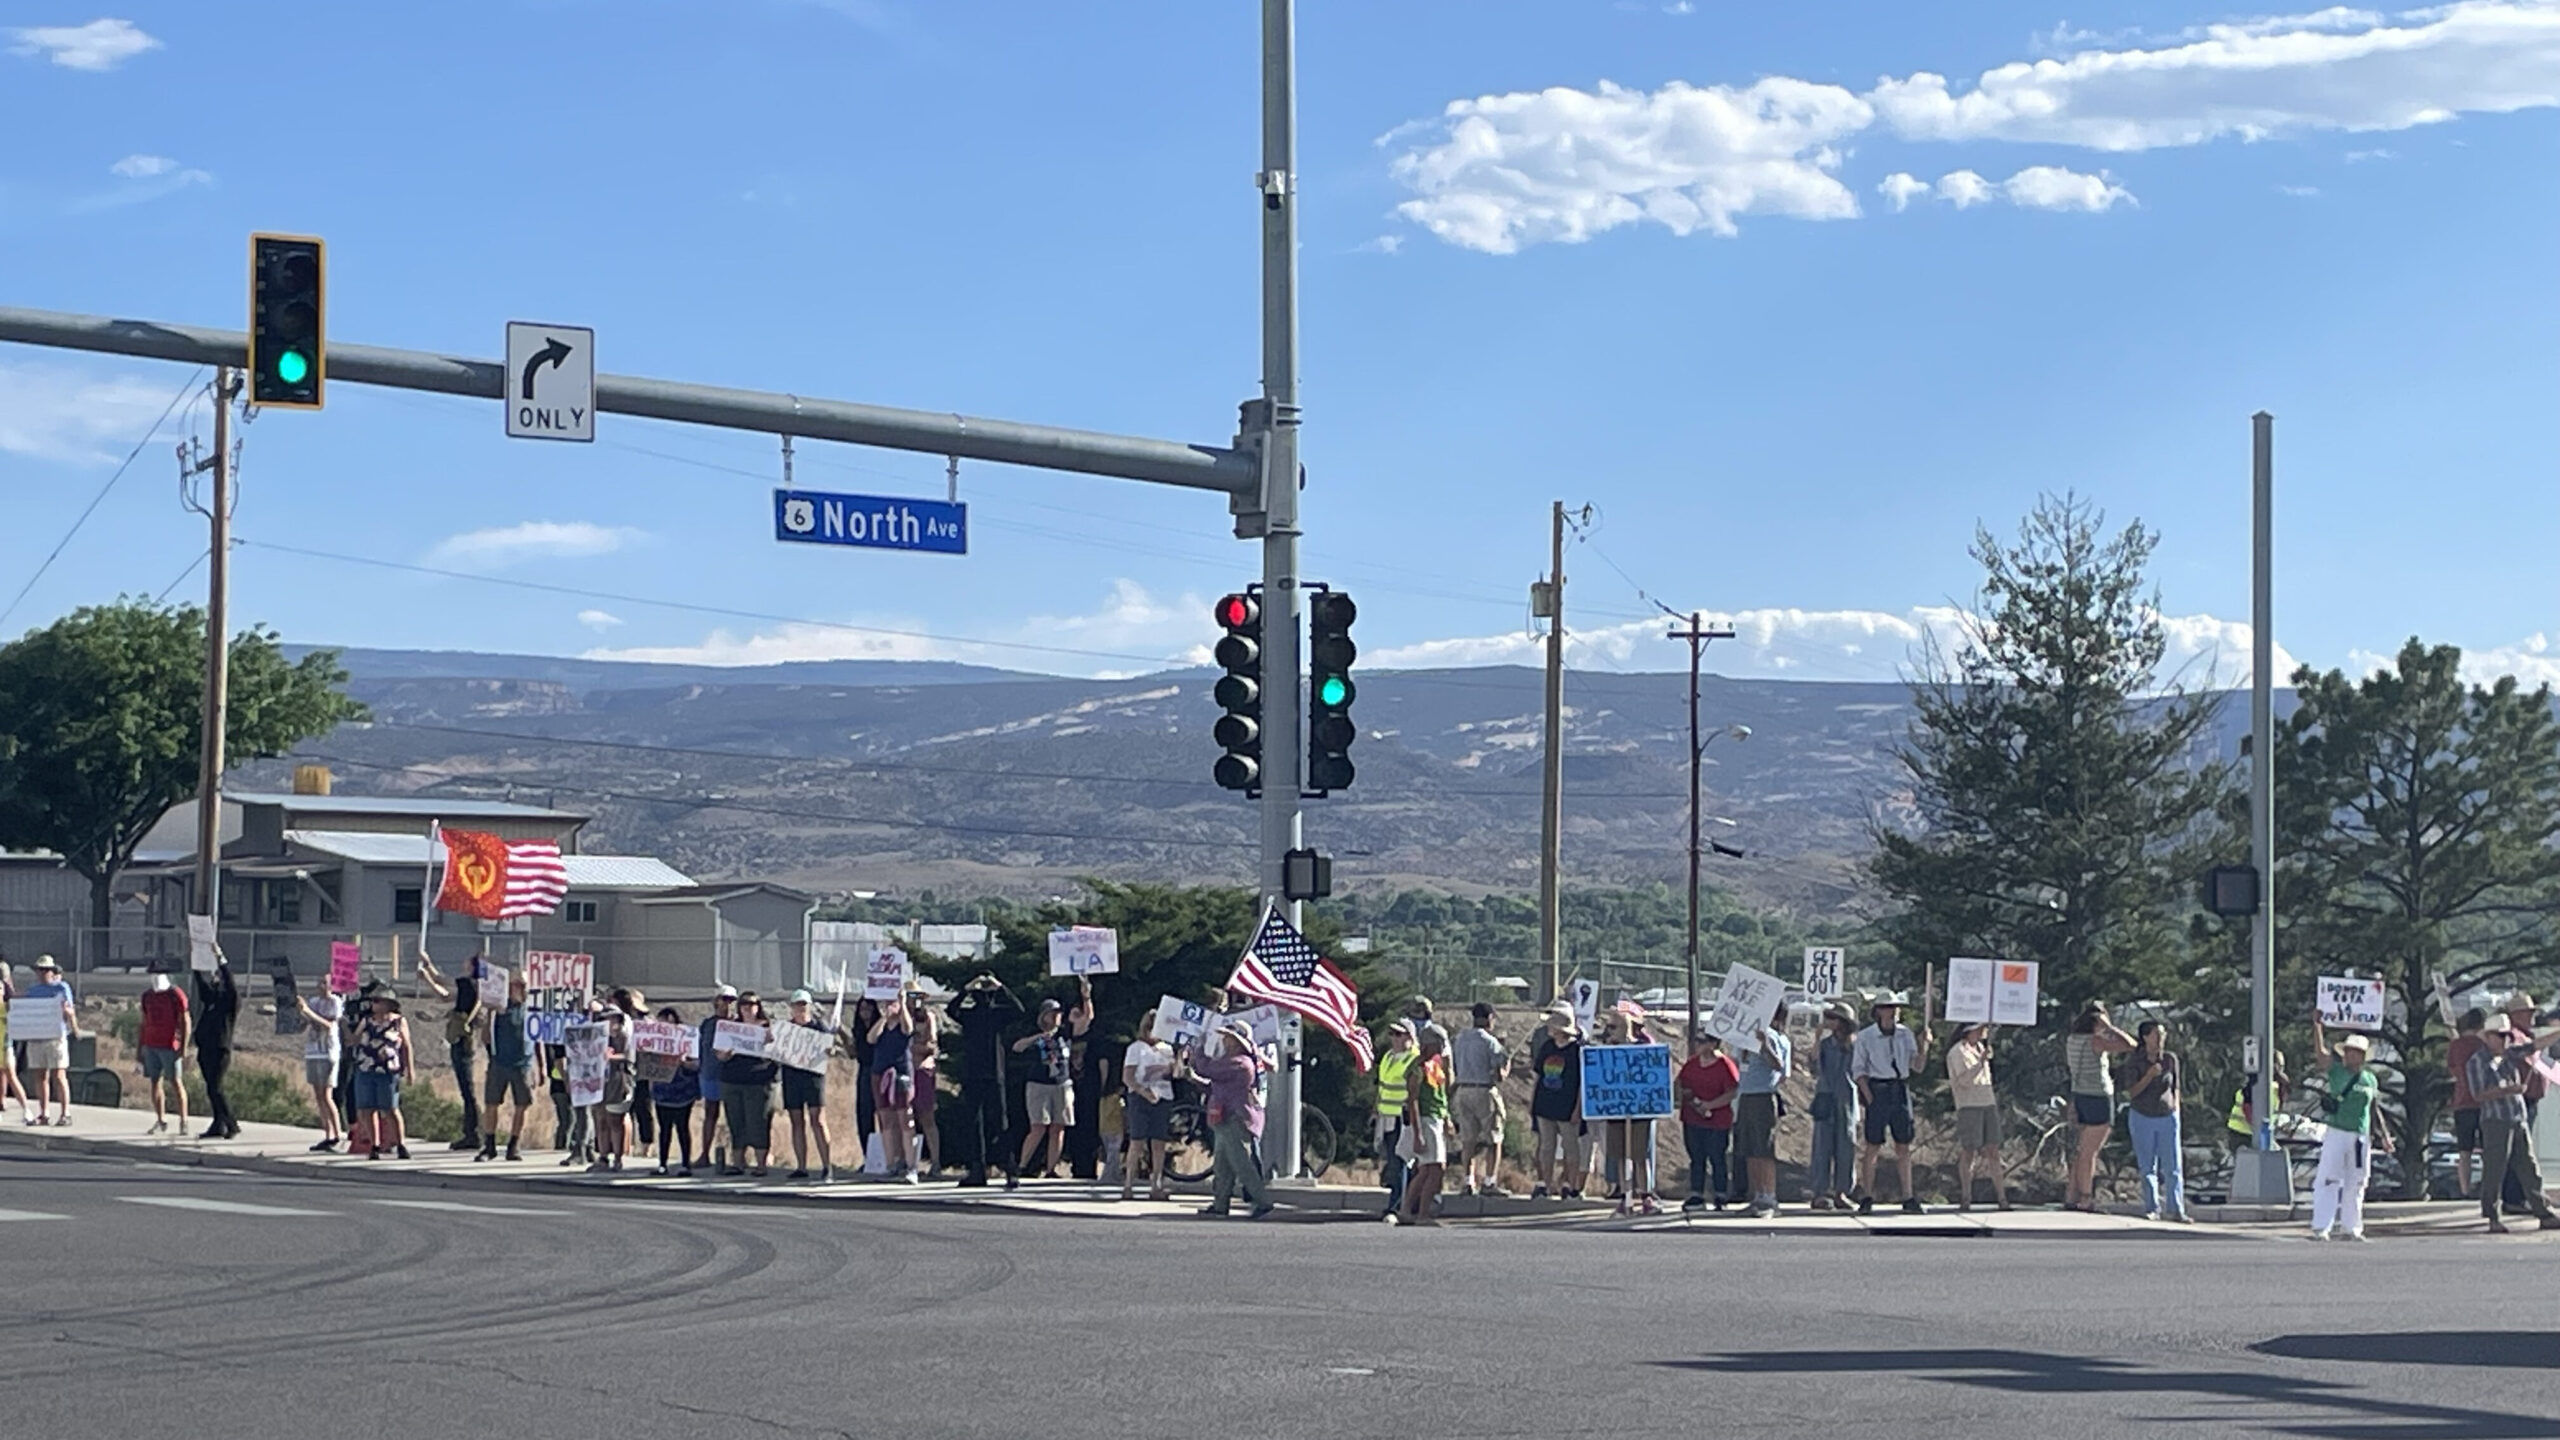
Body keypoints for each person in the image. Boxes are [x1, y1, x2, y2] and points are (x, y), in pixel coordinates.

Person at [2466, 1013, 2559, 1233]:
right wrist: (2508, 1090)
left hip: (2517, 1118)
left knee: (2529, 1168)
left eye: (2507, 1035)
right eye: (2500, 1035)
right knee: (2495, 1170)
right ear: (2488, 1037)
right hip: (2495, 1121)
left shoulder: (2510, 1054)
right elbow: (2478, 1094)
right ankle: (2492, 1216)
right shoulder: (2477, 1062)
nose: (2505, 1039)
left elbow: (2535, 1045)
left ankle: (2543, 1213)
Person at [2306, 1014, 2390, 1241]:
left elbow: (2374, 1108)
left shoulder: (2370, 1079)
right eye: (2349, 1051)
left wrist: (2383, 1135)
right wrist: (2317, 1028)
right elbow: (2321, 1053)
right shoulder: (2337, 1072)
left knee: (2357, 1181)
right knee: (2329, 1178)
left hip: (2360, 1134)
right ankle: (2322, 1226)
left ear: (2362, 1056)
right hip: (2338, 1130)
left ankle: (2351, 1226)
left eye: (2355, 1052)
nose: (2351, 1055)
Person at [1851, 991, 1931, 1215]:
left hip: (1899, 1089)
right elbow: (1859, 1069)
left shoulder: (1905, 1034)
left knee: (1903, 1145)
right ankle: (1867, 1195)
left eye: (1895, 1007)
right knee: (1873, 1144)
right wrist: (1869, 1096)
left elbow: (1917, 1066)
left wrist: (1924, 1047)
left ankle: (1908, 1196)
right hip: (1878, 1088)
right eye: (1888, 1007)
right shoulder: (1867, 1036)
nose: (1893, 1011)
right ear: (1878, 1011)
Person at [1190, 1022, 1275, 1219]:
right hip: (1227, 1118)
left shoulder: (1239, 1063)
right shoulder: (1238, 1062)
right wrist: (1193, 1078)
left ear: (1238, 1042)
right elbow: (1215, 1085)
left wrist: (1198, 1047)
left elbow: (1206, 1068)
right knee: (1223, 1166)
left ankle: (1263, 1202)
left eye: (1228, 1038)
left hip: (1235, 1118)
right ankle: (1220, 1204)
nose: (1224, 1041)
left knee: (1242, 1164)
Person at [947, 973, 1023, 1187]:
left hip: (991, 1073)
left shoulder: (997, 1014)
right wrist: (979, 988)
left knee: (998, 1123)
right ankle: (980, 1170)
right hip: (978, 1073)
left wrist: (988, 987)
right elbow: (951, 1010)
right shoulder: (971, 1015)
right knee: (978, 1123)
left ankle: (1007, 1169)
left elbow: (1019, 1011)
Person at [1011, 986, 1087, 1187]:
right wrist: (1038, 1037)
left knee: (1058, 1127)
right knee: (1038, 1126)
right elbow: (1017, 1047)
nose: (1056, 1017)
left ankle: (1051, 1169)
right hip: (1038, 1084)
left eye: (1058, 1014)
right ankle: (1022, 1165)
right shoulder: (1034, 1033)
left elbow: (1086, 1020)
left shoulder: (1065, 1034)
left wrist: (1086, 997)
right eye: (1052, 1014)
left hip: (1061, 1084)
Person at [2063, 1000, 2135, 1211]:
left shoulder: (2072, 1040)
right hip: (2098, 1095)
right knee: (2090, 1151)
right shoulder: (2095, 1041)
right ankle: (2086, 1196)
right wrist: (2110, 1028)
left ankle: (2072, 1194)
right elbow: (2130, 1045)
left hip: (2080, 1094)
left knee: (2082, 1149)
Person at [414, 954, 484, 1154]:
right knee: (467, 1088)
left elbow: (443, 988)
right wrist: (428, 966)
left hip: (461, 1039)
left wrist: (427, 977)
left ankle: (473, 1132)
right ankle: (472, 1130)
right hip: (466, 1039)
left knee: (467, 1088)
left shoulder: (467, 984)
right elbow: (444, 989)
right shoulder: (478, 987)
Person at [2124, 1019, 2188, 1222]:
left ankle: (2176, 1208)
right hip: (2142, 1115)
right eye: (2156, 1035)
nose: (2160, 1039)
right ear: (2145, 1037)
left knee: (2173, 1166)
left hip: (2167, 1116)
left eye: (2163, 1035)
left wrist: (2175, 1107)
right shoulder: (2135, 1061)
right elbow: (2132, 1092)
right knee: (2148, 1166)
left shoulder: (2170, 1059)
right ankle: (2152, 1207)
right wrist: (2149, 1076)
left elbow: (2176, 1086)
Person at [774, 989, 839, 1182]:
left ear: (809, 1006)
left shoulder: (819, 1027)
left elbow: (830, 1050)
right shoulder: (786, 1029)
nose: (800, 1008)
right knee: (796, 1121)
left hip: (812, 1077)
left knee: (817, 1120)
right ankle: (801, 1166)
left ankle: (827, 1165)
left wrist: (830, 1048)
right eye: (797, 1005)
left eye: (803, 1004)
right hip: (792, 1076)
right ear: (791, 1007)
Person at [1945, 1021, 2008, 1212]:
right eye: (1980, 1028)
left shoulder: (1980, 1048)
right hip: (1969, 1105)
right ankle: (1966, 1196)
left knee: (1993, 1150)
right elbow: (1964, 1079)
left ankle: (2002, 1198)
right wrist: (1980, 1062)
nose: (1984, 1031)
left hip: (1987, 1102)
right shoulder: (1958, 1052)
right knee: (1969, 1150)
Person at [714, 992, 779, 1177]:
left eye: (752, 1004)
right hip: (732, 1080)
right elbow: (719, 1054)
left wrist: (770, 1041)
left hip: (759, 1081)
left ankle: (761, 1165)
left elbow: (779, 1053)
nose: (748, 1008)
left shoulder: (768, 1028)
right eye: (744, 1004)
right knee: (736, 1122)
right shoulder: (731, 1027)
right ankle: (738, 1163)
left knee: (758, 1122)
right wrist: (726, 1054)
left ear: (758, 1007)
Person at [1676, 1028, 1739, 1212]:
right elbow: (1681, 1084)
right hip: (1692, 1118)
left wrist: (1709, 1105)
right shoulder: (1691, 1064)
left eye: (1702, 1041)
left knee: (1717, 1157)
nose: (1697, 1044)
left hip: (1717, 1120)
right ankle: (1696, 1194)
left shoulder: (1724, 1065)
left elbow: (1732, 1092)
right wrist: (1689, 1099)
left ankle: (1720, 1194)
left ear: (1713, 1044)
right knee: (1697, 1157)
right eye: (1696, 1040)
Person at [1527, 1004, 1585, 1200]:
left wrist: (1578, 1109)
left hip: (1567, 1106)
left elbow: (1581, 1083)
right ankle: (1545, 1184)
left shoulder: (1577, 1050)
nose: (1549, 1028)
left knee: (1571, 1148)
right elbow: (1538, 1076)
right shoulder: (1547, 1047)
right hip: (1545, 1104)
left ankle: (1570, 1185)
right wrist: (1533, 1102)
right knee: (1546, 1147)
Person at [1734, 1021, 1791, 1218]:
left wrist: (1765, 1044)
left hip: (1763, 1095)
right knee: (1750, 1148)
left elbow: (1779, 1066)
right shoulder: (1743, 1034)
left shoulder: (1769, 1036)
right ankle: (1757, 1195)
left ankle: (1770, 1197)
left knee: (1764, 1148)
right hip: (1746, 1095)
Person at [1398, 1025, 1453, 1226]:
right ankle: (1421, 1214)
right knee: (1435, 1168)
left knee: (1427, 1170)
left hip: (1436, 1118)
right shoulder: (1418, 1068)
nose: (1441, 1048)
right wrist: (1418, 1133)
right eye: (1438, 1044)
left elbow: (1440, 1095)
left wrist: (1446, 1118)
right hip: (1425, 1120)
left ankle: (1406, 1210)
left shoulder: (1435, 1066)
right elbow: (1413, 1101)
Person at [477, 975, 535, 1162]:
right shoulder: (500, 1009)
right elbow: (486, 1038)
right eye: (515, 985)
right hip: (499, 1062)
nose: (518, 989)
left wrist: (540, 1066)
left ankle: (514, 1145)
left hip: (523, 1063)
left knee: (522, 1104)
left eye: (522, 985)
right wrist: (489, 1015)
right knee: (491, 1103)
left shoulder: (532, 1009)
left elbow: (538, 1038)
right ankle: (489, 1145)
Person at [2497, 993, 2546, 1215]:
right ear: (2516, 1014)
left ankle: (2518, 1197)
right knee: (2520, 1152)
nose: (2531, 1016)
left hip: (2529, 1098)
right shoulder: (2515, 1036)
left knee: (2522, 1150)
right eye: (2527, 1012)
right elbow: (2518, 1054)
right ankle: (2513, 1198)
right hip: (2520, 1099)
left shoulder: (2525, 1035)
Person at [1807, 1003, 1859, 1211]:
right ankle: (1819, 1192)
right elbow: (1814, 1067)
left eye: (1833, 1018)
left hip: (1846, 1099)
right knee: (1822, 1147)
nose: (1829, 1021)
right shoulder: (1826, 1044)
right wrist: (1817, 1039)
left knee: (1846, 1146)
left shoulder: (1855, 1045)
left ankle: (1842, 1192)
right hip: (1826, 1097)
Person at [350, 990, 413, 1160]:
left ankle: (400, 1144)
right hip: (366, 1067)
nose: (374, 1004)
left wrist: (409, 1070)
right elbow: (354, 1040)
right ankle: (374, 1145)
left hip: (388, 1070)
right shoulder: (367, 1021)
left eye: (378, 1001)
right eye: (373, 1001)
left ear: (388, 1004)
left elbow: (406, 1046)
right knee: (367, 1108)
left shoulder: (398, 1022)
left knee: (390, 1108)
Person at [1120, 1013, 1176, 1202]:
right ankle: (1128, 1184)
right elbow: (1128, 1077)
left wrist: (1180, 1060)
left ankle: (1156, 1185)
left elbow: (1174, 1074)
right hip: (1140, 1098)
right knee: (1137, 1141)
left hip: (1163, 1097)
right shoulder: (1136, 1048)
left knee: (1159, 1143)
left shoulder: (1166, 1049)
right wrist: (1144, 1092)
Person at [867, 988, 916, 1182]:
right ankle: (891, 1164)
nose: (889, 1006)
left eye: (892, 1003)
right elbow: (871, 1039)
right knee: (886, 1120)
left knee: (905, 1119)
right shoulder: (881, 1026)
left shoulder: (904, 1023)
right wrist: (883, 1019)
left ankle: (911, 1166)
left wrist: (902, 1004)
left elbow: (908, 1029)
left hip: (900, 1073)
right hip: (880, 1074)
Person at [22, 957, 76, 1126]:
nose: (42, 973)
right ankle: (44, 1113)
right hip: (37, 1036)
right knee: (40, 1075)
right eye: (39, 970)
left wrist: (66, 1012)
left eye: (46, 970)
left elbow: (70, 1011)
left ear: (52, 971)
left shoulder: (61, 987)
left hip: (55, 1037)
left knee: (59, 1075)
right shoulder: (32, 991)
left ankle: (65, 1113)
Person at [292, 985, 347, 1153]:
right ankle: (328, 1134)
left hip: (327, 1052)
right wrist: (300, 1012)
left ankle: (337, 1134)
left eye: (326, 983)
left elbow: (328, 1025)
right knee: (318, 1096)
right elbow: (305, 1023)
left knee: (327, 1095)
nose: (322, 987)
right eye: (320, 983)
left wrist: (308, 1011)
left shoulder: (335, 1002)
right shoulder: (314, 1002)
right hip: (313, 1051)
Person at [136, 970, 190, 1135]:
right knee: (155, 1082)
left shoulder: (175, 994)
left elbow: (185, 1020)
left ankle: (184, 1121)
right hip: (151, 1045)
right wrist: (140, 1048)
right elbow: (144, 1022)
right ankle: (161, 1120)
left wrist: (183, 1047)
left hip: (169, 1046)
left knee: (175, 1082)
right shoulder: (147, 996)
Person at [649, 1006, 700, 1176]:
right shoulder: (655, 1041)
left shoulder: (688, 1038)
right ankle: (662, 1164)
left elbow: (697, 1065)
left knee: (682, 1128)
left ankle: (686, 1163)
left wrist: (684, 1063)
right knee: (664, 1129)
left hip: (683, 1091)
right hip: (662, 1090)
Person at [192, 959, 241, 1140]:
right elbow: (202, 988)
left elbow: (231, 985)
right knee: (210, 1089)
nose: (215, 980)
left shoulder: (230, 1003)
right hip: (205, 1048)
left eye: (218, 978)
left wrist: (222, 963)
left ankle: (231, 1124)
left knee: (216, 1088)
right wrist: (196, 967)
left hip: (220, 1050)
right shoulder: (211, 1002)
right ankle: (218, 1124)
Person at [1373, 1019, 1417, 1217]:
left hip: (1403, 1116)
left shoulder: (1413, 1058)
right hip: (1387, 1116)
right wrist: (1376, 1109)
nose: (1394, 1039)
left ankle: (1398, 1204)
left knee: (1400, 1162)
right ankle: (1400, 1201)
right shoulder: (1388, 1057)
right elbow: (1382, 1086)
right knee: (1393, 1161)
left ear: (1410, 1036)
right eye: (1392, 1034)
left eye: (1399, 1034)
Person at [2446, 1007, 2489, 1199]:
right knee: (2488, 1150)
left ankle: (2465, 1189)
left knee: (2465, 1151)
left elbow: (2452, 1070)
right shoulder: (2483, 1045)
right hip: (2484, 1101)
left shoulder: (2456, 1045)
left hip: (2462, 1100)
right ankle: (2488, 1187)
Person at [697, 985, 736, 1169]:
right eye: (724, 999)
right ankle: (704, 1154)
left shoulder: (739, 1025)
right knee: (710, 1114)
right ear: (716, 1001)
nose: (728, 1004)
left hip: (732, 1076)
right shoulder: (707, 1024)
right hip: (710, 1074)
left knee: (734, 1116)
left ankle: (737, 1157)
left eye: (731, 1000)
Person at [908, 993, 942, 1174]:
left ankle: (935, 1161)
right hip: (905, 1069)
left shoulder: (928, 1017)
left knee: (927, 1116)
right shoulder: (901, 1017)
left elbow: (932, 1045)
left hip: (923, 1069)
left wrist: (915, 1047)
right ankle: (908, 1161)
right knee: (906, 1118)